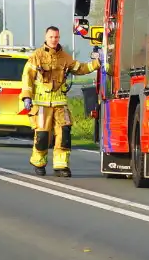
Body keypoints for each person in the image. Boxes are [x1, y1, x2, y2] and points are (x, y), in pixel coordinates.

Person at [21, 26, 100, 177]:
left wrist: (97, 63)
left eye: (56, 37)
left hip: (60, 104)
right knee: (42, 136)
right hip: (42, 104)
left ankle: (61, 166)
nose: (54, 40)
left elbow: (80, 68)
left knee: (64, 134)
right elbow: (27, 78)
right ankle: (39, 163)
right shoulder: (36, 56)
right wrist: (26, 97)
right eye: (51, 37)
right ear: (46, 37)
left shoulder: (65, 57)